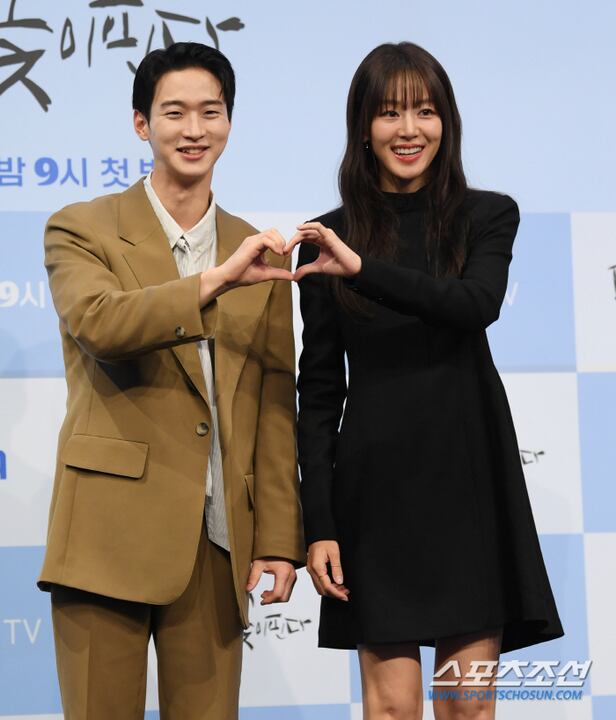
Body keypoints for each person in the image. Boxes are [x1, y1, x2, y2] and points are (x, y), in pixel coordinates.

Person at [288, 42, 563, 720]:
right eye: (389, 113)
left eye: (425, 112)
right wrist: (319, 523)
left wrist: (361, 269)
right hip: (375, 490)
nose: (408, 130)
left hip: (468, 480)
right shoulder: (327, 237)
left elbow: (474, 305)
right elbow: (318, 394)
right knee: (390, 709)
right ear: (363, 126)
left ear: (447, 122)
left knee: (468, 707)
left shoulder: (487, 214)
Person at [38, 42, 303, 720]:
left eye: (210, 112)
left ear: (229, 123)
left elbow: (273, 402)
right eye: (174, 112)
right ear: (141, 124)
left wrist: (278, 537)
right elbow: (101, 323)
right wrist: (215, 280)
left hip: (216, 540)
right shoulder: (82, 227)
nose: (194, 130)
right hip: (106, 535)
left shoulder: (259, 249)